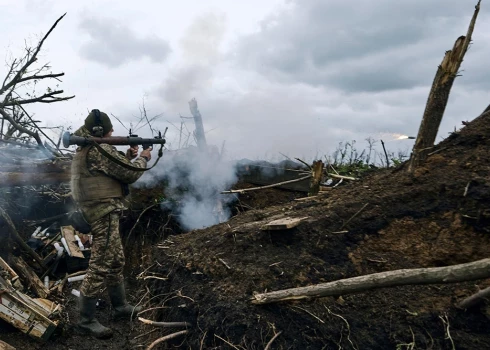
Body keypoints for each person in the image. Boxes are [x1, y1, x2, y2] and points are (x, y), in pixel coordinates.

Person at [70, 109, 152, 339]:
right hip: (102, 212)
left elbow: (110, 170)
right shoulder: (99, 149)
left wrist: (127, 155)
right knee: (102, 262)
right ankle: (86, 319)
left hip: (100, 210)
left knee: (116, 259)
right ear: (99, 130)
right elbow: (130, 173)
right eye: (109, 129)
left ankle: (120, 307)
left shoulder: (88, 148)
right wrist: (143, 157)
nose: (112, 131)